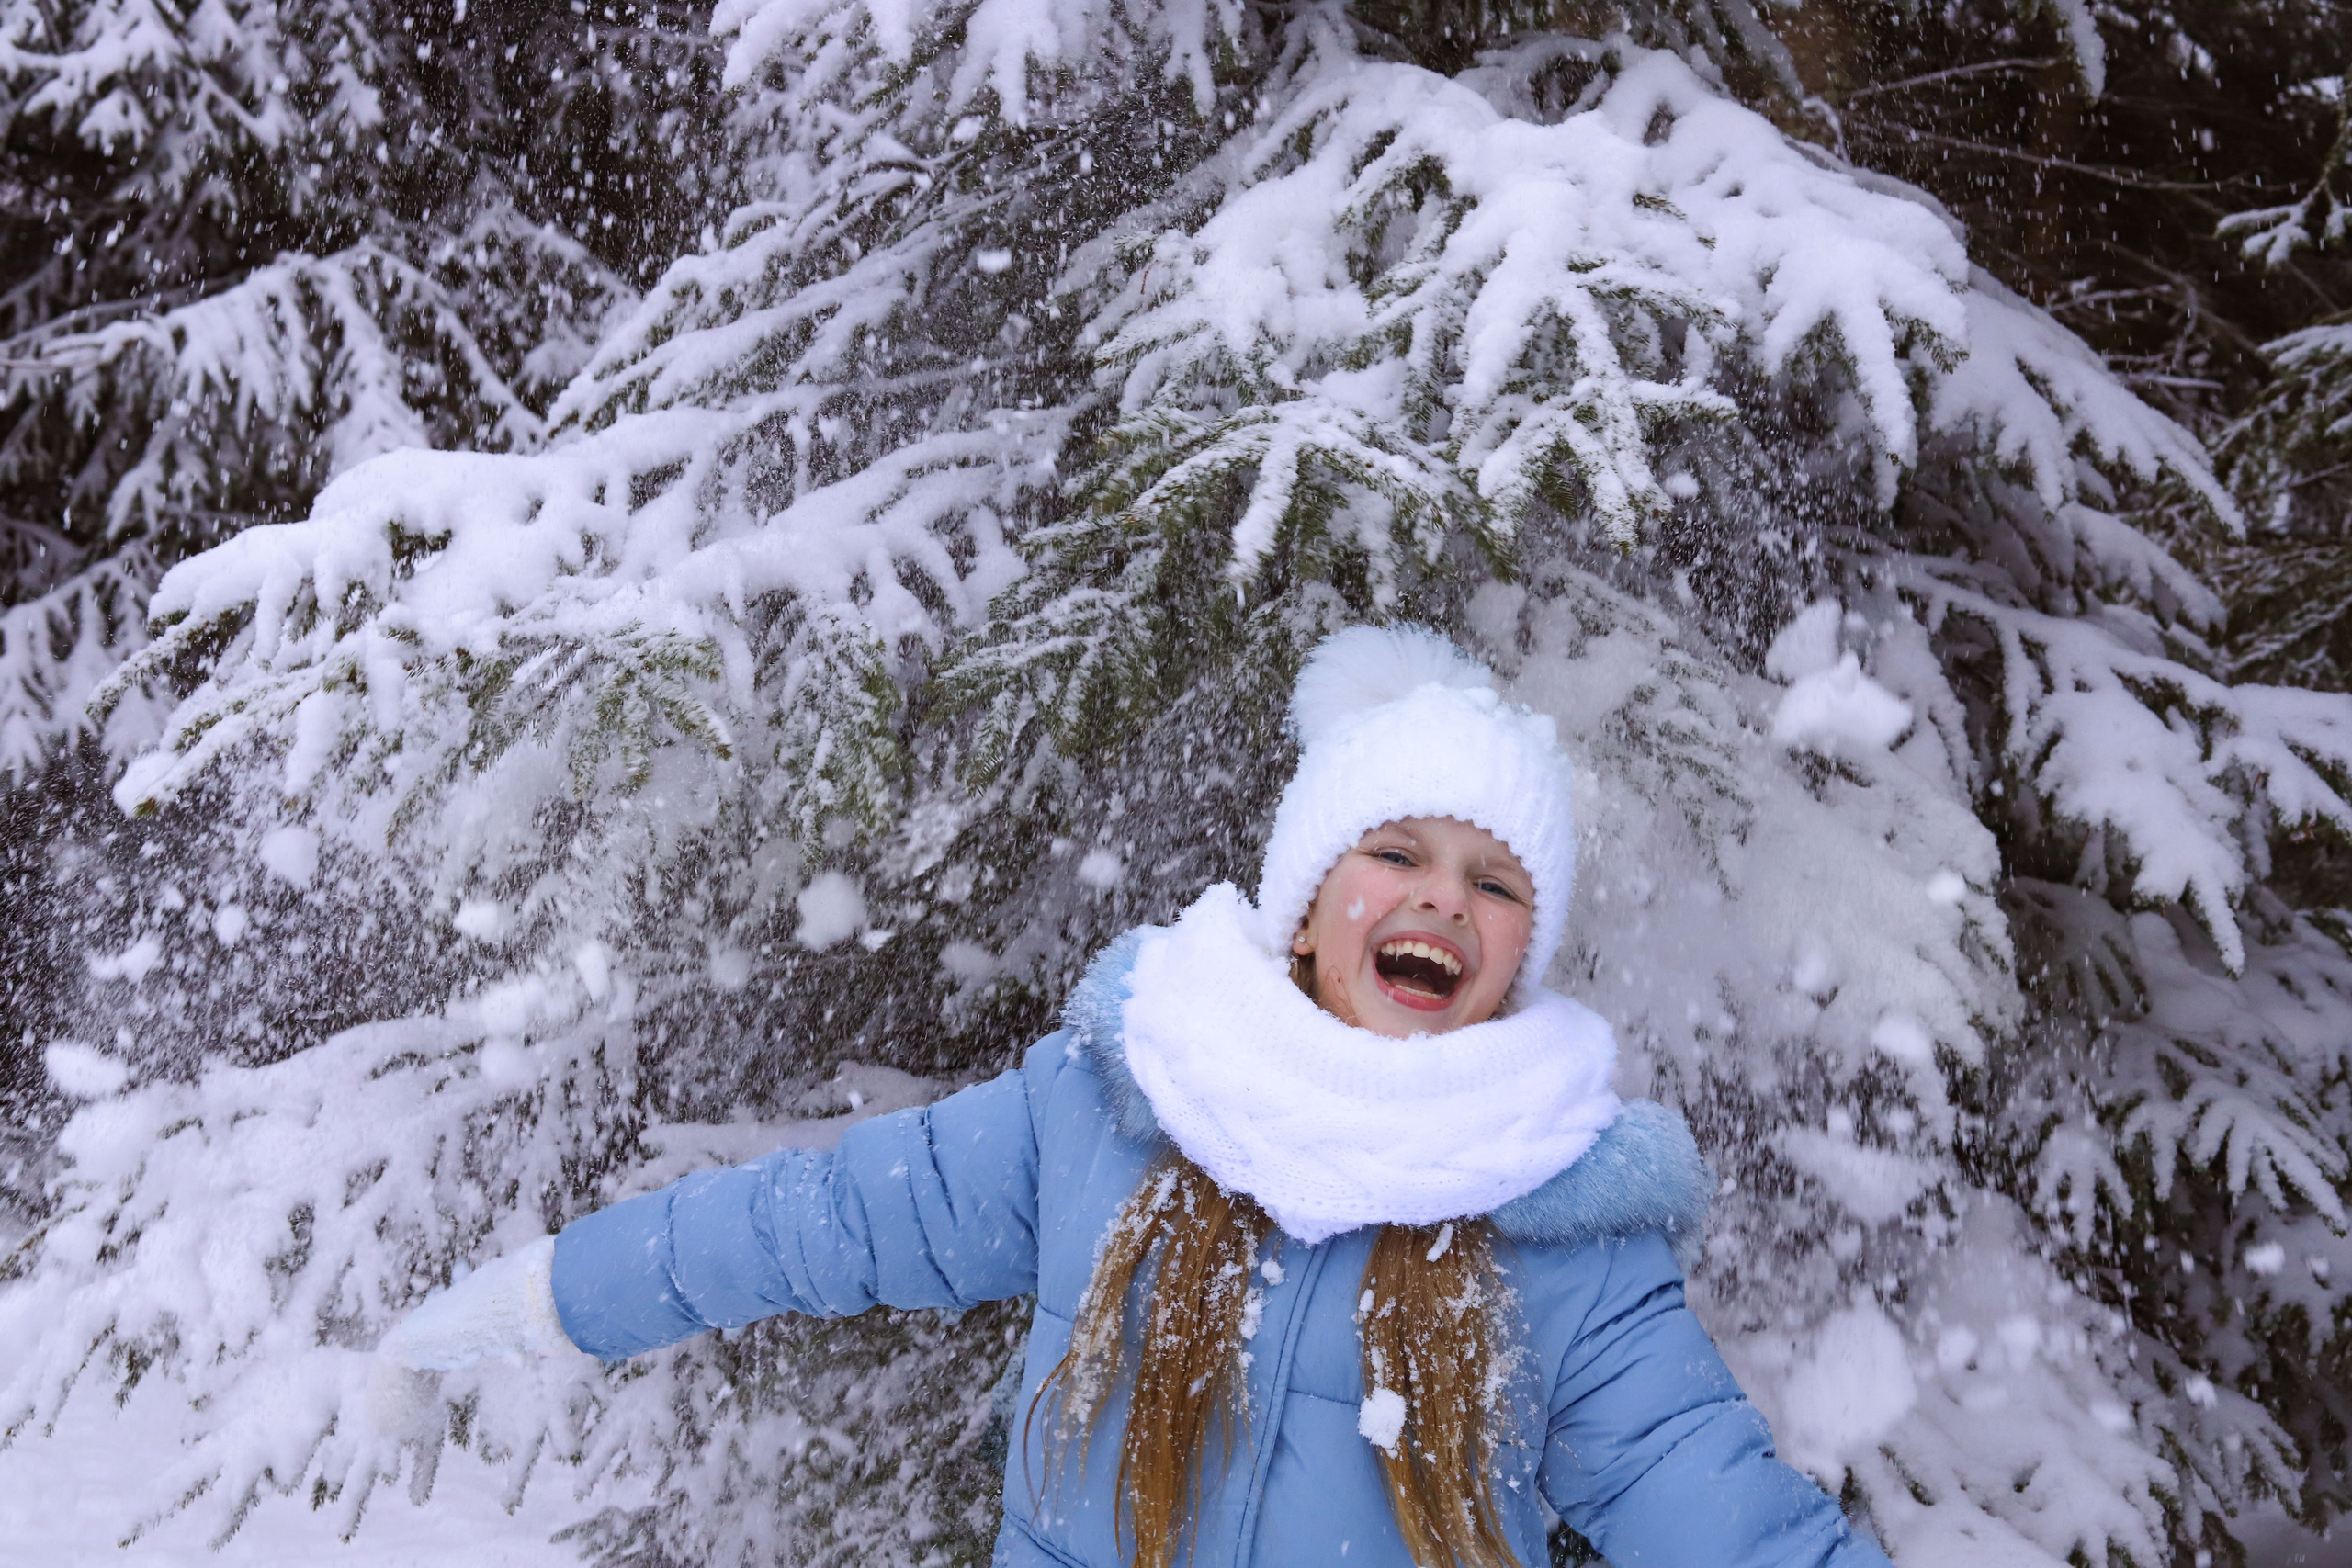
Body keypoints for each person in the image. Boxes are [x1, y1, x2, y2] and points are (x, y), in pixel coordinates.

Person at [384, 625, 1894, 1568]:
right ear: (1308, 904)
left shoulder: (1560, 1232)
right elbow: (818, 1222)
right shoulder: (1118, 1104)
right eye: (1397, 855)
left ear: (1517, 958)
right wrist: (551, 1297)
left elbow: (1727, 1521)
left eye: (1495, 882)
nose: (1443, 900)